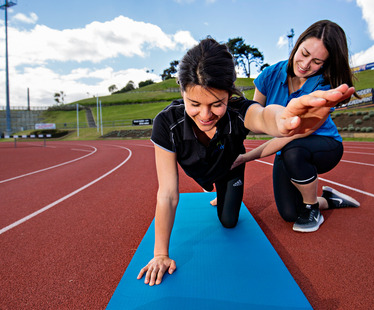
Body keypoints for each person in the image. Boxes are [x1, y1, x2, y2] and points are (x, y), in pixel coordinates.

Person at [137, 37, 354, 286]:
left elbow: (263, 116)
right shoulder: (167, 123)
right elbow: (167, 194)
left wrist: (282, 119)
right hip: (203, 170)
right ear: (182, 91)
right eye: (194, 104)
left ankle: (226, 187)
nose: (205, 115)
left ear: (229, 94)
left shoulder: (238, 111)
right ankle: (216, 184)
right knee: (211, 187)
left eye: (217, 104)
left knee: (229, 222)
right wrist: (160, 254)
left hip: (230, 167)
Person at [239, 20, 361, 233]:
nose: (305, 65)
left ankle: (312, 206)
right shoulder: (270, 74)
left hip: (323, 146)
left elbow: (291, 137)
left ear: (325, 64)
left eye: (316, 61)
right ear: (297, 45)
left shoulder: (323, 88)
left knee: (293, 150)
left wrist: (247, 157)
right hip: (287, 148)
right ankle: (328, 199)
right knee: (290, 214)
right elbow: (253, 119)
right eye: (304, 53)